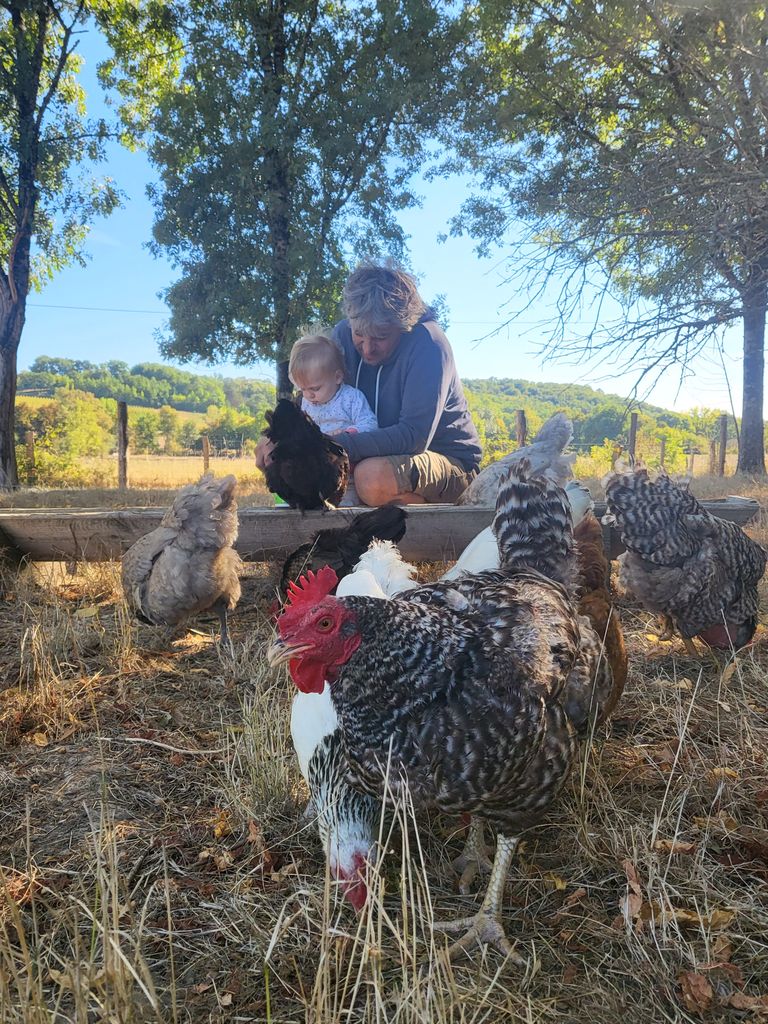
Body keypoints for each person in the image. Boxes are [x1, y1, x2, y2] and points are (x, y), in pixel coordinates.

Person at [257, 264, 482, 505]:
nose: (367, 348)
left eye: (381, 337)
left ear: (404, 326)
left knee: (371, 478)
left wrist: (323, 445)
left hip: (450, 462)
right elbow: (318, 390)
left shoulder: (429, 344)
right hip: (368, 454)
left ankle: (431, 525)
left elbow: (413, 438)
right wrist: (281, 437)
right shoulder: (343, 333)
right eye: (359, 335)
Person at [289, 333, 378, 435]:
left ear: (337, 377)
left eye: (315, 388)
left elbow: (370, 425)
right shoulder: (306, 403)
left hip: (346, 448)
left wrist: (349, 433)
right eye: (303, 389)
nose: (309, 395)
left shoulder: (350, 398)